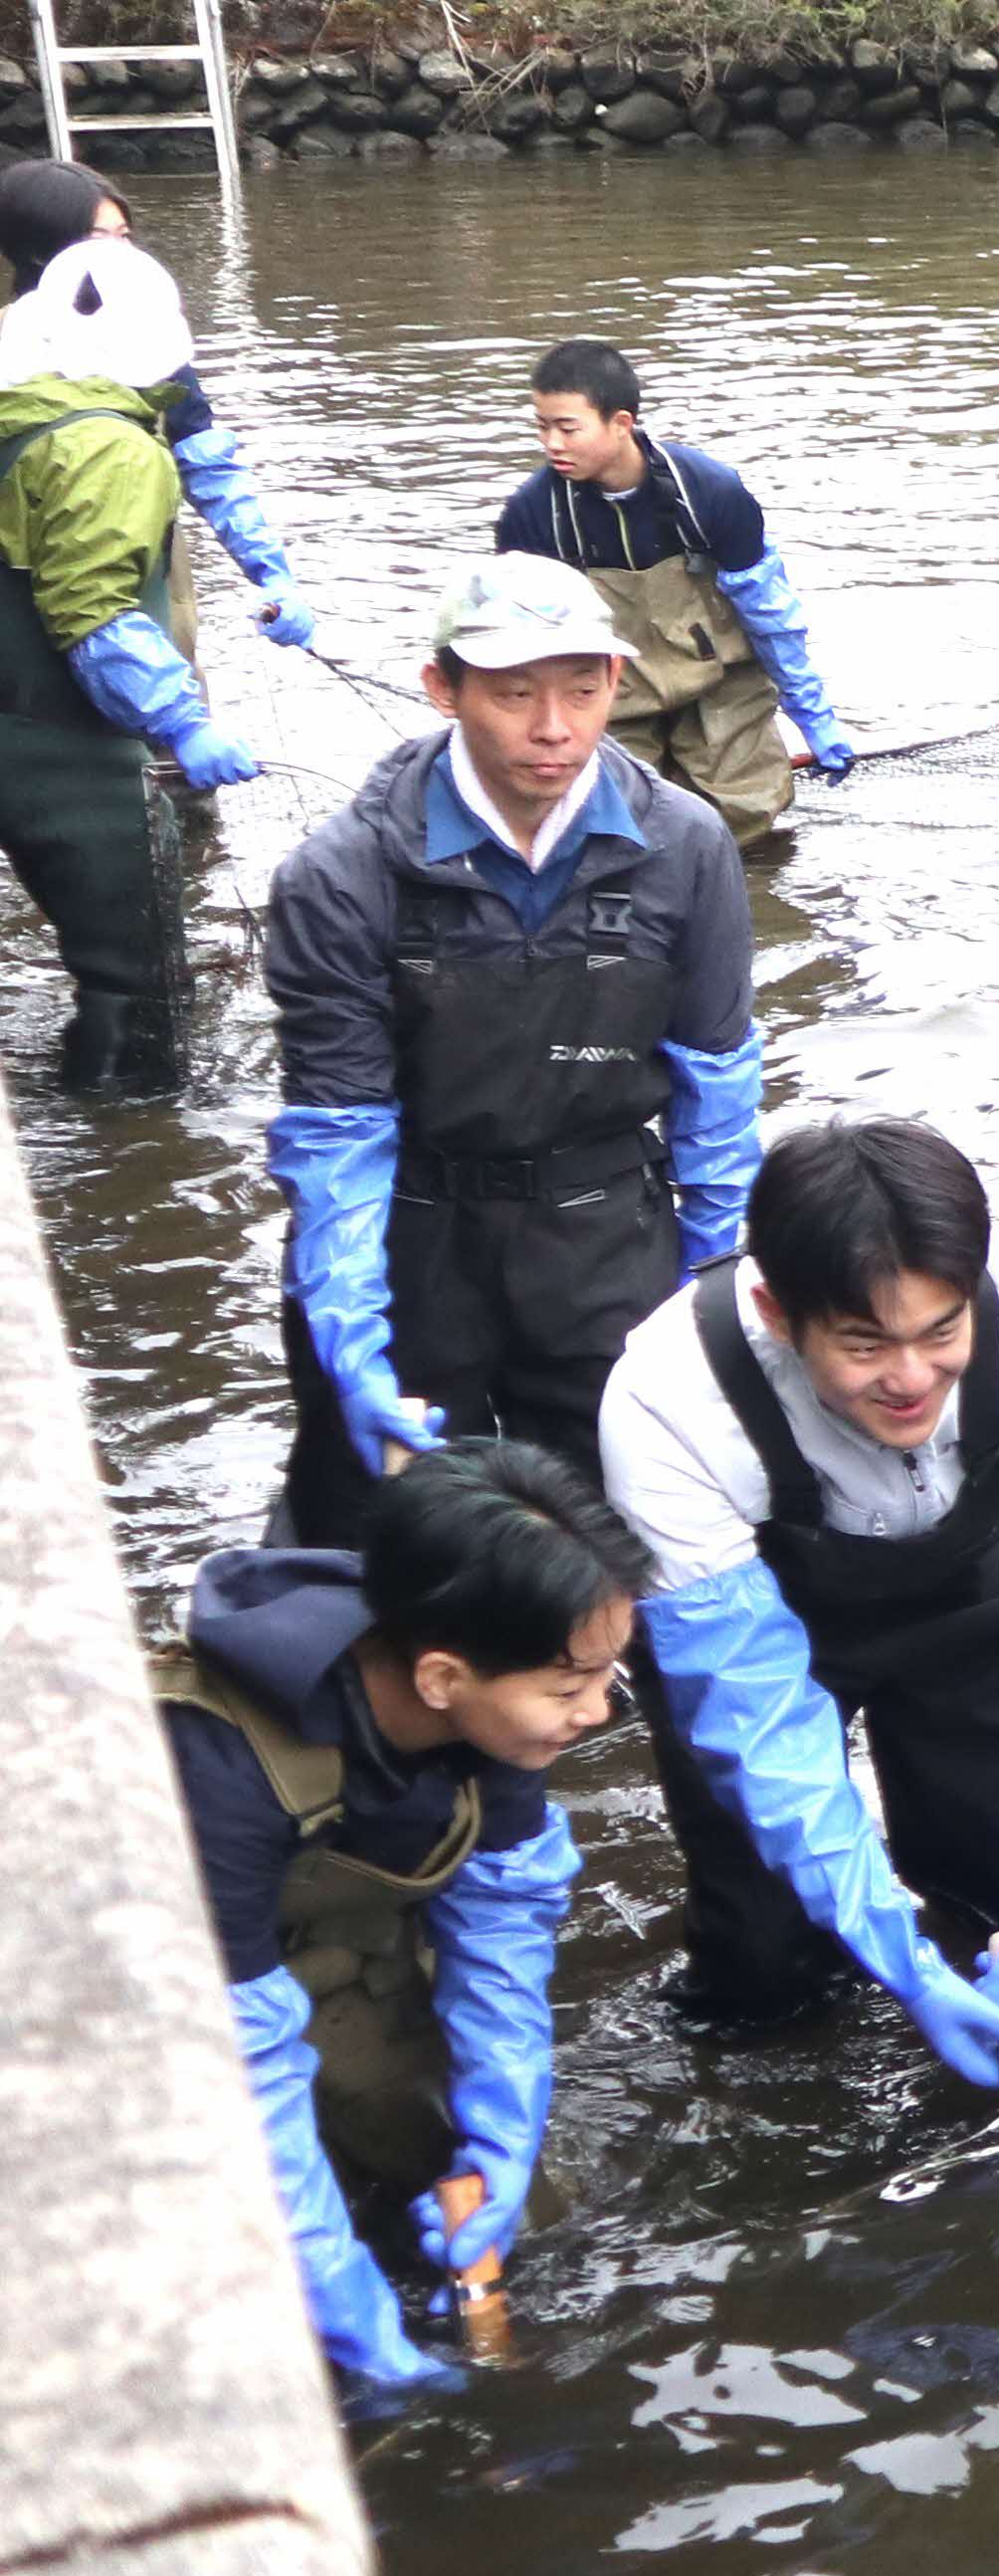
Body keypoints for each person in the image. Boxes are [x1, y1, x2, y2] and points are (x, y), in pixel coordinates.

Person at [602, 1119, 999, 2074]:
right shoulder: (665, 1400)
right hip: (758, 1618)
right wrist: (898, 1963)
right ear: (781, 1314)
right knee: (761, 1960)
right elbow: (757, 1715)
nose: (910, 1379)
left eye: (941, 1334)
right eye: (864, 1345)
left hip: (977, 1602)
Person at [264, 552, 758, 1549]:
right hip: (411, 1233)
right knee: (369, 1541)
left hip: (605, 1236)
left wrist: (718, 1297)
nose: (553, 729)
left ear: (617, 683)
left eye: (583, 691)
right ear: (442, 687)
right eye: (514, 693)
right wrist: (350, 1336)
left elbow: (717, 1094)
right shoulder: (341, 875)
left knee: (636, 1542)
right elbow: (338, 1135)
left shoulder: (688, 848)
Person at [156, 1444, 651, 2395]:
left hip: (348, 1970)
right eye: (568, 1688)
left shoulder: (496, 1699)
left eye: (604, 1675)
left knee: (530, 2219)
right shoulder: (217, 1768)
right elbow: (240, 2057)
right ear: (439, 1678)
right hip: (182, 2003)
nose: (598, 1711)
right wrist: (329, 2278)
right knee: (253, 2289)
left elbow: (501, 1922)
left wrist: (504, 2127)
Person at [0, 238, 257, 1087]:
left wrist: (264, 556)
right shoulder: (109, 449)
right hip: (64, 745)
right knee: (137, 990)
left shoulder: (20, 402)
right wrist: (181, 720)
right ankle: (132, 1149)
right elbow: (95, 612)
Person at [496, 340, 852, 846]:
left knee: (744, 818)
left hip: (720, 681)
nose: (552, 443)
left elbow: (769, 614)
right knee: (612, 830)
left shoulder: (709, 493)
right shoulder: (533, 516)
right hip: (609, 692)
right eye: (542, 426)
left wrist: (814, 716)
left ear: (621, 423)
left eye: (568, 428)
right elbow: (518, 644)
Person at [1, 160, 322, 663]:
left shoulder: (151, 349)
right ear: (40, 251)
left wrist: (270, 572)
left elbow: (207, 462)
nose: (121, 255)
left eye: (124, 236)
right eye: (98, 239)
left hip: (152, 602)